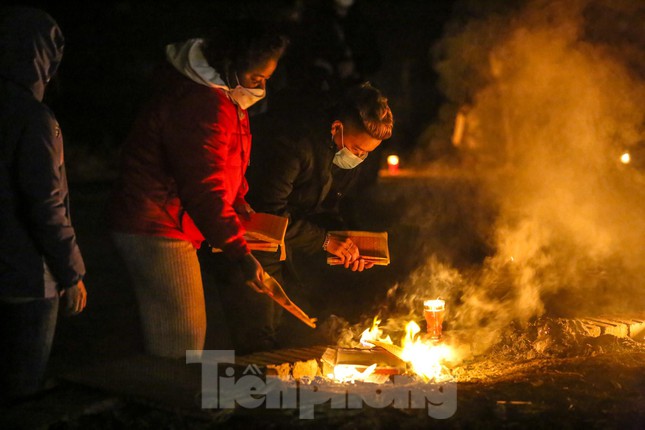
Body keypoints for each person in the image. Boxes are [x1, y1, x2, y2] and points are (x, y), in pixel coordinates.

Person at [109, 22, 288, 359]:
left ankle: (162, 400)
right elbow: (203, 185)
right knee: (180, 340)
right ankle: (163, 406)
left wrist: (237, 199)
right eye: (256, 78)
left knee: (182, 336)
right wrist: (239, 253)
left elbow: (224, 164)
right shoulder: (201, 103)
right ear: (231, 64)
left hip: (170, 221)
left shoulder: (222, 97)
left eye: (266, 79)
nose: (262, 87)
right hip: (155, 224)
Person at [214, 81, 393, 347]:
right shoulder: (293, 144)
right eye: (357, 150)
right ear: (336, 128)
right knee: (258, 334)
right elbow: (267, 214)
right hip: (250, 244)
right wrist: (325, 241)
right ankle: (246, 384)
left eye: (367, 153)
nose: (359, 158)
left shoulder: (342, 151)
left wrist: (349, 243)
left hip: (288, 245)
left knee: (297, 329)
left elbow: (328, 206)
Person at [0, 7, 87, 402]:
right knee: (21, 390)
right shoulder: (32, 118)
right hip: (26, 279)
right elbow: (46, 203)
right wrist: (71, 273)